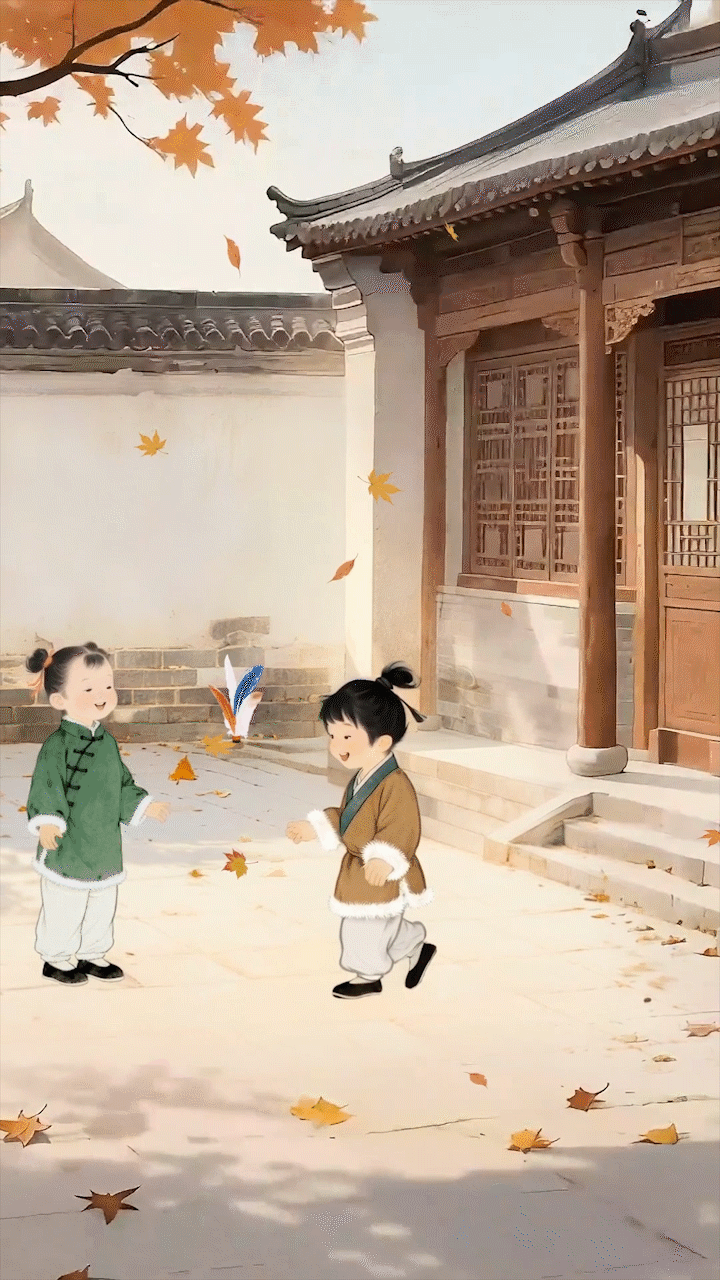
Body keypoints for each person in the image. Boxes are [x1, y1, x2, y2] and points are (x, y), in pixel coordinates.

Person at [286, 661, 436, 999]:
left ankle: (368, 976)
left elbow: (402, 828)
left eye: (346, 736)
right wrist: (317, 827)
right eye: (332, 736)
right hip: (361, 869)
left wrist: (384, 858)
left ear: (381, 742)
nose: (336, 744)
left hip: (381, 870)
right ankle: (415, 943)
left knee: (363, 929)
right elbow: (351, 818)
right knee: (381, 925)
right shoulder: (362, 778)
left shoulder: (395, 784)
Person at [24, 642, 170, 985]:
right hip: (68, 840)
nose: (101, 695)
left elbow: (121, 783)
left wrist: (144, 805)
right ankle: (56, 957)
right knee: (66, 900)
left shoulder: (107, 743)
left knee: (103, 899)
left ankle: (93, 953)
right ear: (59, 700)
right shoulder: (56, 746)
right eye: (88, 689)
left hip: (103, 838)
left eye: (107, 685)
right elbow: (46, 786)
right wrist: (47, 822)